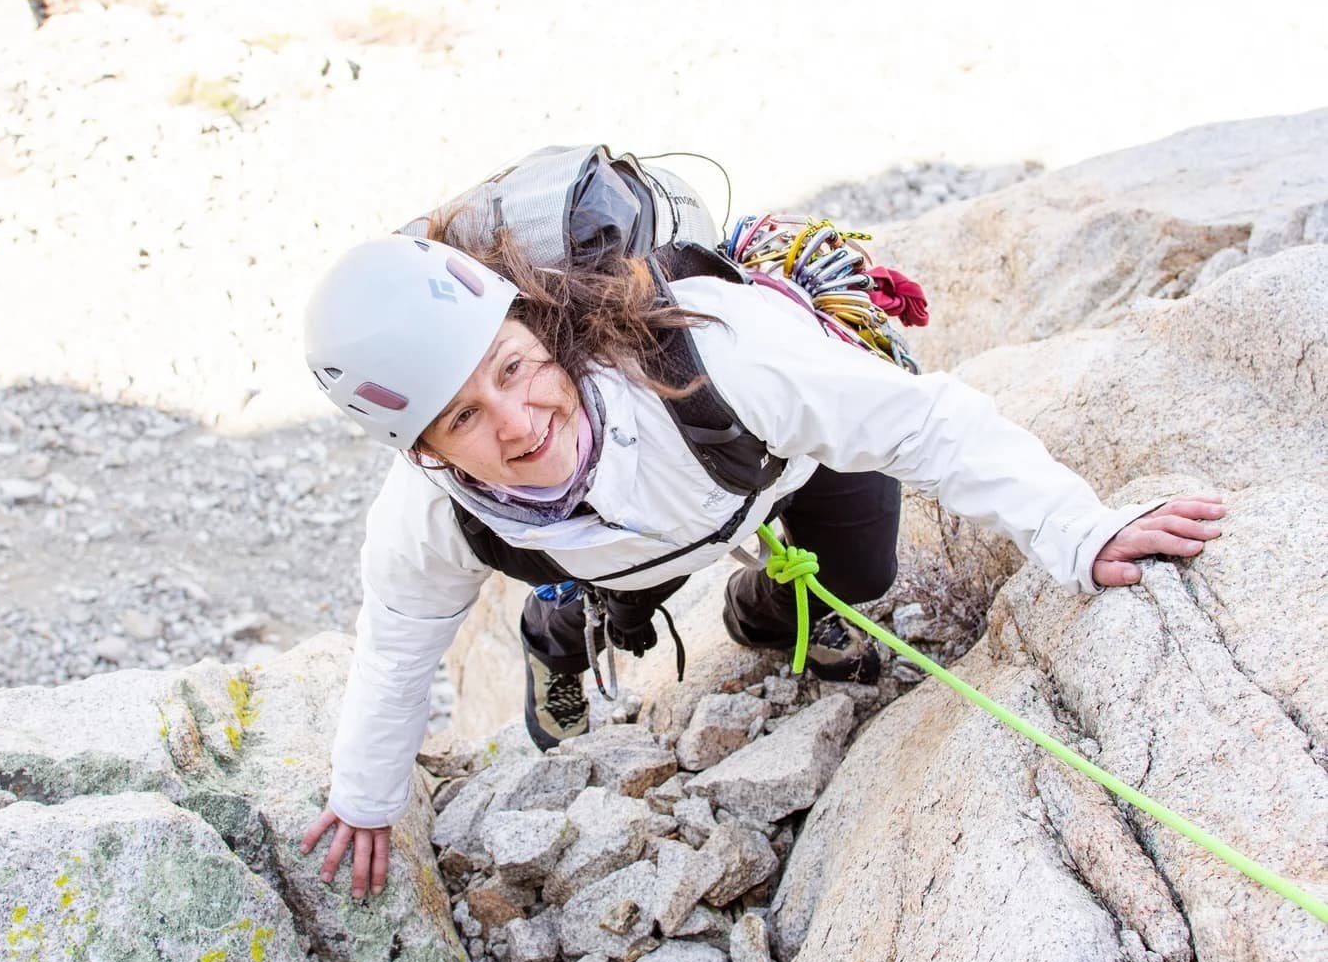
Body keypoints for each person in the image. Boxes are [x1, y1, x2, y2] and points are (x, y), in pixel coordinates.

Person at [296, 227, 1226, 901]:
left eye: (512, 368)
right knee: (601, 602)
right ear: (423, 450)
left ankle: (761, 614)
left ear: (537, 323)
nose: (516, 423)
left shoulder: (714, 352)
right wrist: (365, 798)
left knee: (861, 578)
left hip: (765, 474)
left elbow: (928, 424)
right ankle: (558, 639)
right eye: (461, 419)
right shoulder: (429, 515)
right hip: (608, 557)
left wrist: (1081, 533)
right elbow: (398, 643)